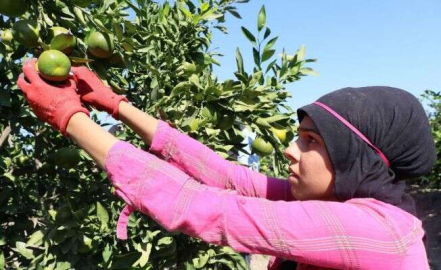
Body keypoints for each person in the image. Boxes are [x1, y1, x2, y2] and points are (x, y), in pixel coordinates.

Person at [17, 58, 436, 270]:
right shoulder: (341, 202)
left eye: (310, 142)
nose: (290, 150)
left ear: (356, 158)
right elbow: (228, 176)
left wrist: (70, 119)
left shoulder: (378, 231)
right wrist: (116, 105)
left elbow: (216, 209)